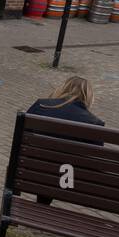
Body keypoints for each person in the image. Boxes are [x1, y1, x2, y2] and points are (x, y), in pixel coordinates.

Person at [25, 76, 104, 204]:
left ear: (63, 88)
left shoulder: (41, 105)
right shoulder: (94, 123)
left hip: (29, 172)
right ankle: (43, 207)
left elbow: (24, 138)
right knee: (64, 167)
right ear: (88, 96)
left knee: (49, 164)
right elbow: (94, 163)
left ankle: (41, 206)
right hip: (67, 181)